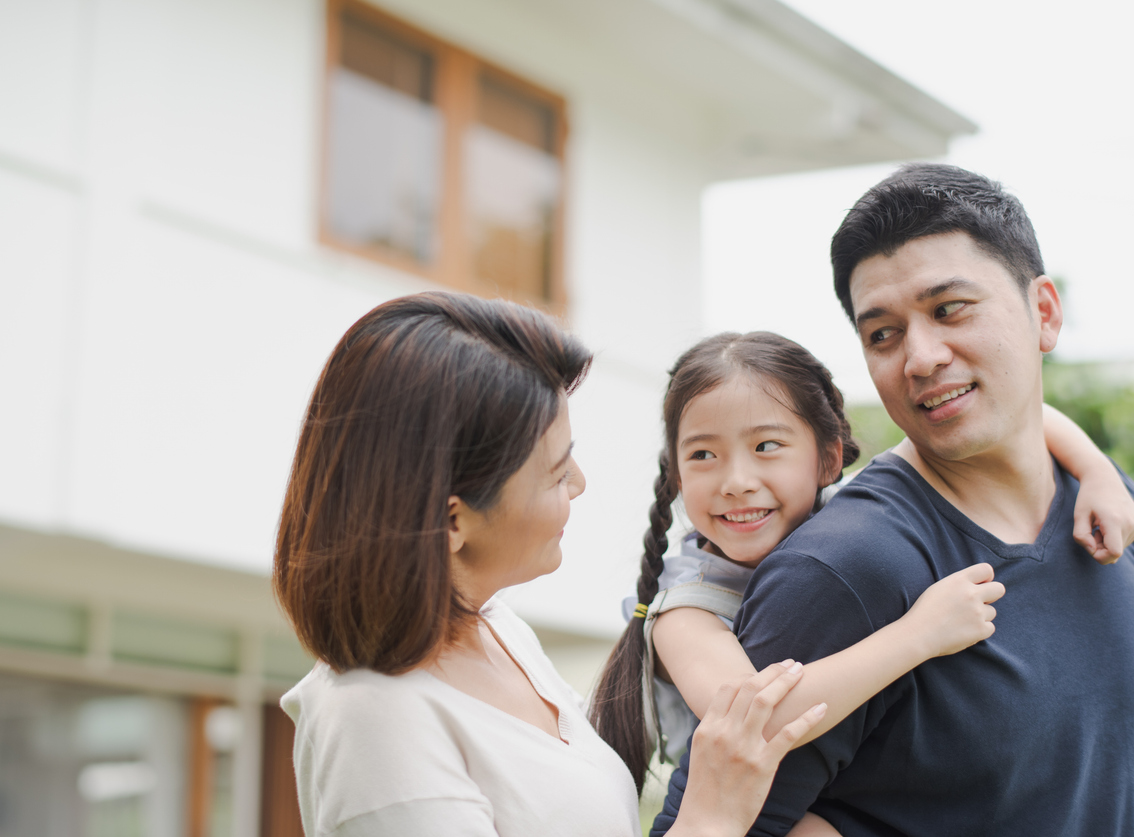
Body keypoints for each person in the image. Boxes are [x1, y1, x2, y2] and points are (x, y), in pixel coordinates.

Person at [652, 164, 1134, 837]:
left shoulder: (1108, 509)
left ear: (1044, 313)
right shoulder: (847, 568)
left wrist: (1103, 473)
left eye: (949, 309)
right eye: (883, 334)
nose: (921, 357)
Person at [273, 292, 827, 837]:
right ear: (451, 521)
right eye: (556, 474)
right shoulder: (376, 725)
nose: (581, 484)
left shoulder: (499, 633)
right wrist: (711, 821)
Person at [589, 333, 1123, 837]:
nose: (735, 481)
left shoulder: (854, 517)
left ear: (826, 458)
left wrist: (1096, 471)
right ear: (676, 473)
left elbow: (1022, 417)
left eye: (767, 446)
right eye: (703, 455)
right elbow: (760, 717)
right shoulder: (684, 611)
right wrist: (918, 636)